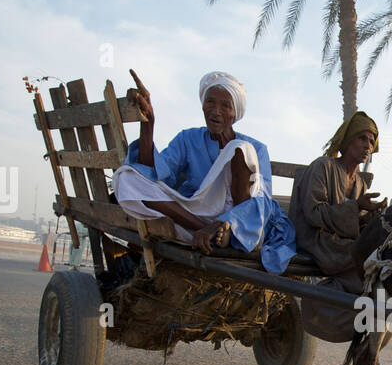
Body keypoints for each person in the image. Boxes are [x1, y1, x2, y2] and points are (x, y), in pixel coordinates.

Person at [113, 70, 296, 272]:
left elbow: (261, 202)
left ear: (235, 113)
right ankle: (202, 230)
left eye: (225, 105)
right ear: (202, 106)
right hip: (193, 220)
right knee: (126, 178)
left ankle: (224, 232)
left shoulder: (257, 148)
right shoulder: (188, 138)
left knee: (241, 149)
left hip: (242, 225)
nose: (216, 111)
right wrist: (148, 122)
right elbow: (151, 174)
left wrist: (223, 224)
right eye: (210, 102)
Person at [288, 110, 387, 340]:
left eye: (371, 141)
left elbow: (355, 222)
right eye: (362, 138)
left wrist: (371, 215)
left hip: (338, 242)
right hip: (314, 239)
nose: (368, 146)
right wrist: (355, 208)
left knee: (378, 256)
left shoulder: (360, 183)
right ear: (348, 139)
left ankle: (358, 316)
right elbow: (314, 213)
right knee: (365, 259)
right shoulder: (323, 167)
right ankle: (319, 308)